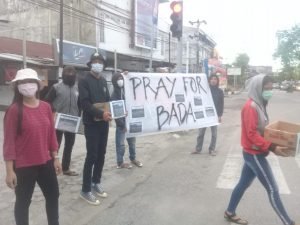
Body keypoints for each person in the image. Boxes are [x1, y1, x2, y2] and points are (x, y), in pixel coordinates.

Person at [224, 74, 298, 225]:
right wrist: (272, 146)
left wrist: (278, 138)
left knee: (243, 184)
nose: (269, 92)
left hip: (255, 152)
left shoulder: (260, 104)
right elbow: (251, 134)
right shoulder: (250, 107)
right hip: (254, 154)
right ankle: (288, 222)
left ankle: (229, 212)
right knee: (273, 189)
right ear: (258, 88)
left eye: (271, 88)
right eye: (266, 88)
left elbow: (261, 130)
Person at [3, 68, 61, 225]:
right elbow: (9, 142)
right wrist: (9, 171)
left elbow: (51, 135)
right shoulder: (14, 110)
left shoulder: (46, 107)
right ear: (17, 87)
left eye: (30, 81)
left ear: (37, 84)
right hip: (24, 166)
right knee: (23, 202)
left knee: (53, 195)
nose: (27, 85)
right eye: (23, 82)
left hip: (46, 162)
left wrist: (55, 157)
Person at [78, 52, 112, 205]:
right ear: (91, 64)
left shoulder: (104, 81)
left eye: (100, 62)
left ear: (103, 65)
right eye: (95, 61)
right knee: (91, 155)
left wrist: (116, 110)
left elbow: (108, 101)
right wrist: (100, 113)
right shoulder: (84, 80)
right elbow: (84, 104)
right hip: (91, 124)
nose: (98, 64)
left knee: (101, 154)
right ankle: (85, 190)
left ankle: (95, 182)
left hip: (104, 123)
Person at [45, 66, 79, 176]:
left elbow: (80, 103)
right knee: (55, 145)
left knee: (69, 145)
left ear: (75, 75)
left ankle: (65, 168)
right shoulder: (56, 87)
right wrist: (54, 110)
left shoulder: (78, 88)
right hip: (58, 121)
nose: (70, 75)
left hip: (72, 121)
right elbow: (47, 102)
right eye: (67, 73)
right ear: (63, 74)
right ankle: (50, 168)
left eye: (72, 73)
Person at [111, 72, 143, 169]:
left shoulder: (127, 91)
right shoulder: (114, 95)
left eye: (121, 78)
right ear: (114, 82)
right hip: (122, 125)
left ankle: (133, 159)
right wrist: (122, 125)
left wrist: (126, 75)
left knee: (132, 142)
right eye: (118, 79)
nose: (120, 81)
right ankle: (120, 162)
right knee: (120, 144)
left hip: (130, 122)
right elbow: (115, 114)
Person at [192, 74, 224, 156]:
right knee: (200, 133)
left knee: (214, 134)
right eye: (212, 79)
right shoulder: (204, 90)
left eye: (215, 79)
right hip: (205, 115)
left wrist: (219, 115)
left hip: (214, 115)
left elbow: (221, 104)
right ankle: (198, 149)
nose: (213, 80)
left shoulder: (220, 92)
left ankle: (212, 149)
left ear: (217, 81)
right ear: (209, 80)